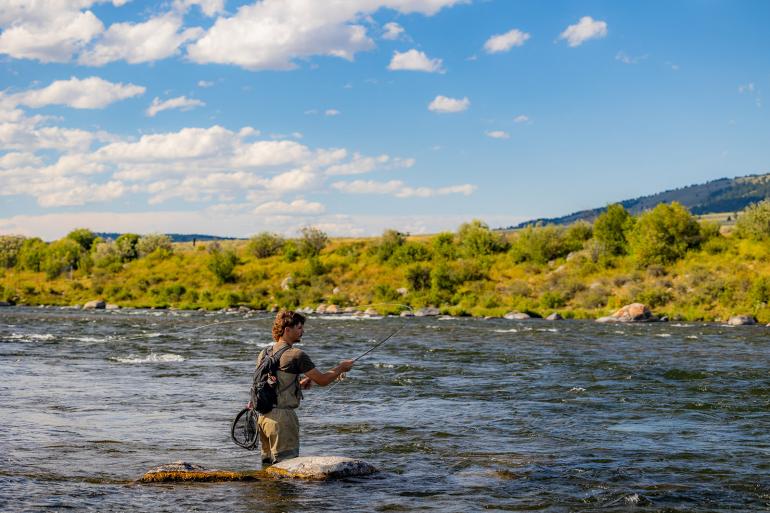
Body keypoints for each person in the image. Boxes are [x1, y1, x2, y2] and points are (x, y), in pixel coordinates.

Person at [256, 310, 354, 465]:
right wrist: (341, 368)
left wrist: (298, 384)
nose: (302, 331)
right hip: (282, 420)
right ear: (287, 330)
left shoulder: (264, 352)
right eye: (299, 328)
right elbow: (322, 380)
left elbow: (269, 385)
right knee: (285, 471)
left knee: (267, 468)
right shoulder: (296, 354)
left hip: (263, 418)